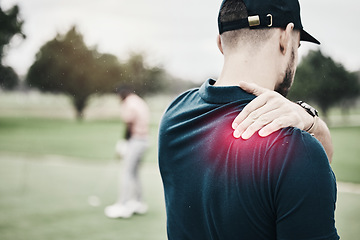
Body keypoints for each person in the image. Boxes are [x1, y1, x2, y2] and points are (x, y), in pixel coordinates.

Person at [158, 0, 339, 239]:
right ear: (285, 38)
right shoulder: (296, 149)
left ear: (220, 43)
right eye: (298, 44)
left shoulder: (174, 115)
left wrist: (309, 121)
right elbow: (318, 165)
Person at [105, 86, 150, 219]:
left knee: (126, 171)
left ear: (121, 95)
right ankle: (138, 202)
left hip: (136, 140)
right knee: (134, 172)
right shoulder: (139, 101)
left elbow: (129, 124)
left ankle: (123, 206)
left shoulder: (128, 103)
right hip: (145, 139)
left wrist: (124, 142)